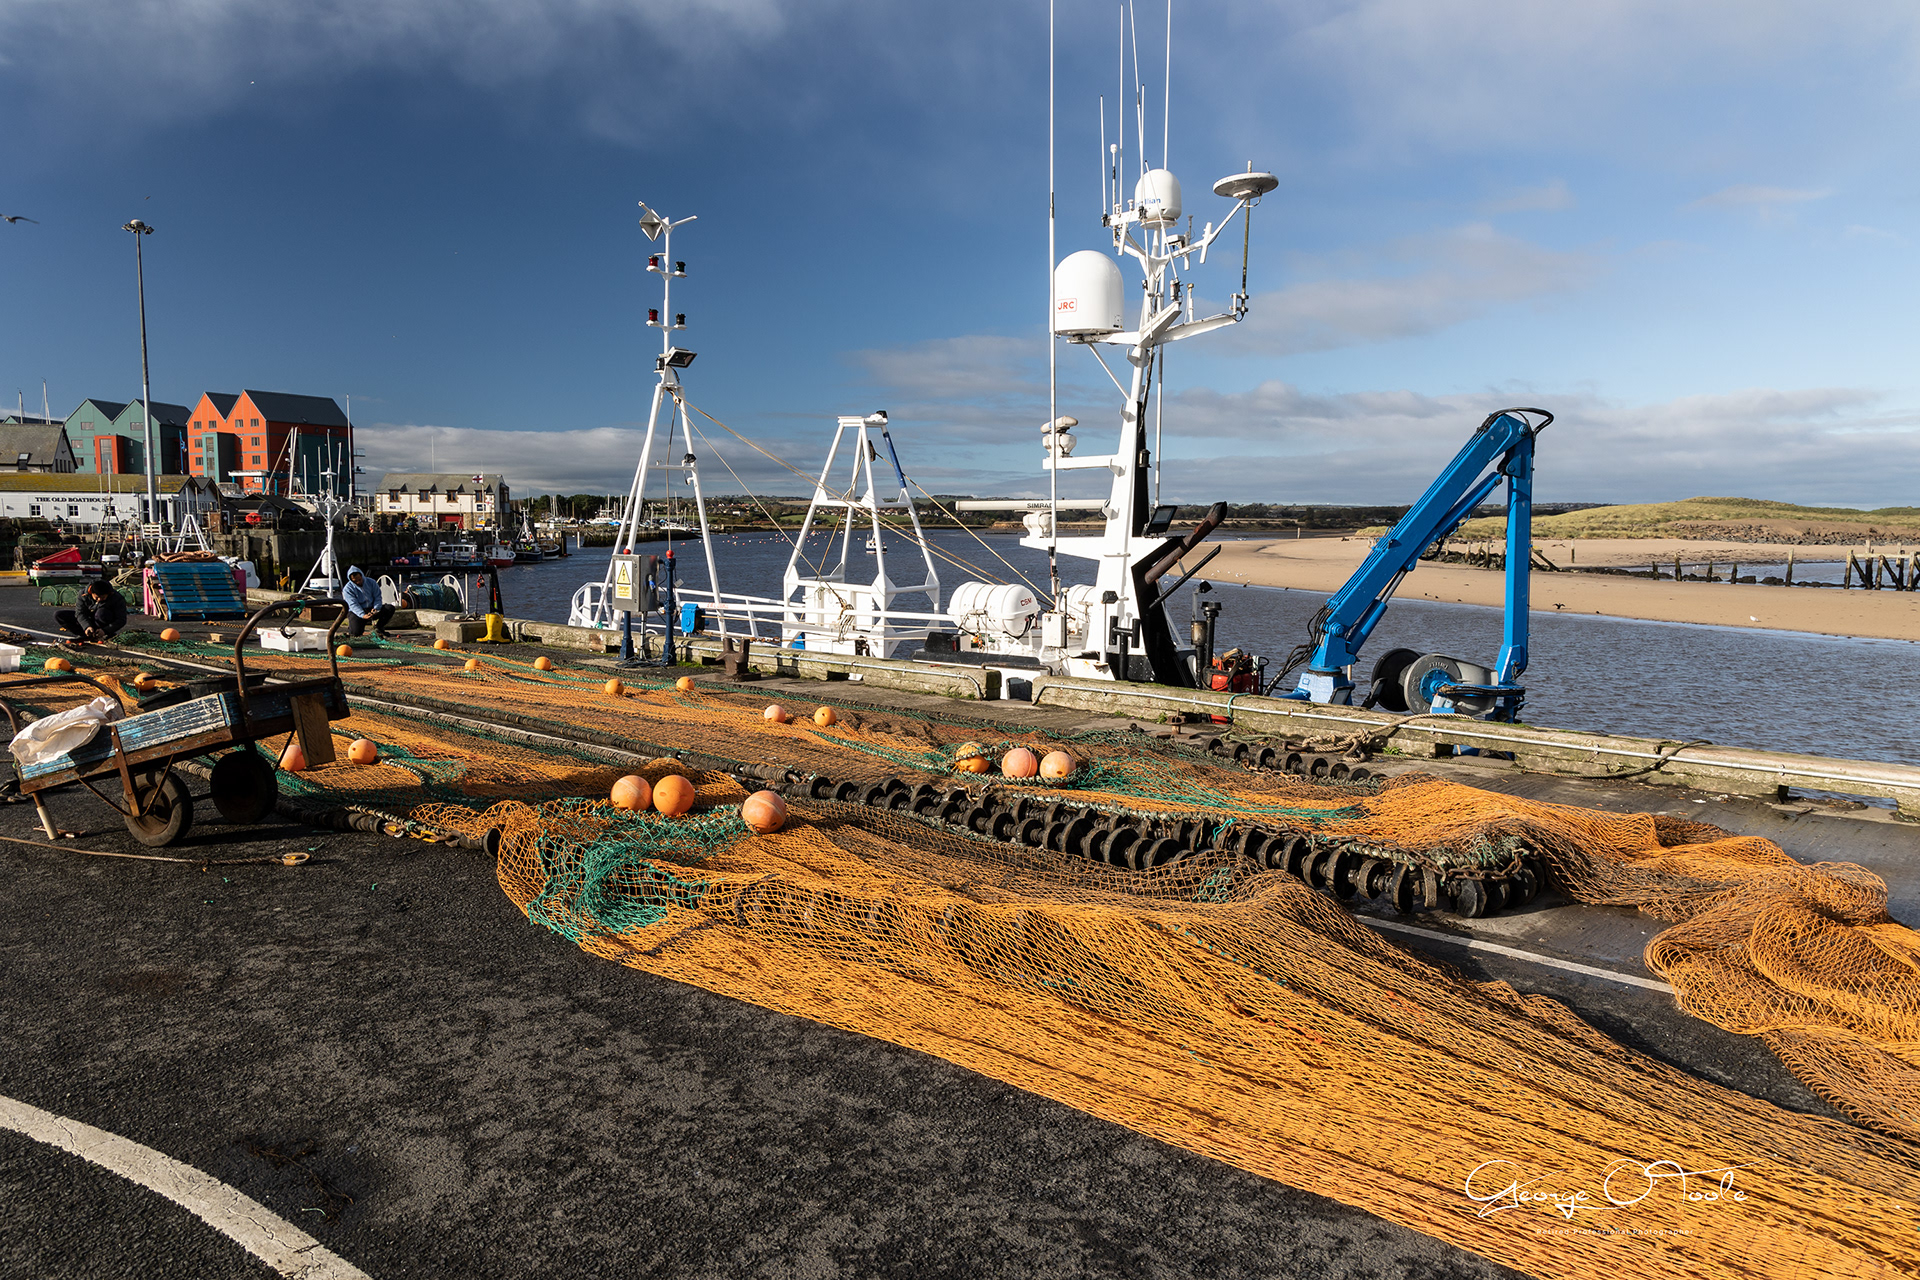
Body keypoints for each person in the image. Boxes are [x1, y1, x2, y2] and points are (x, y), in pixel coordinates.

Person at [56, 579, 128, 646]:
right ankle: (86, 634)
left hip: (104, 622)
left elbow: (121, 619)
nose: (99, 600)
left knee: (101, 613)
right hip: (89, 620)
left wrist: (105, 630)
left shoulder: (117, 598)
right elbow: (80, 613)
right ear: (91, 593)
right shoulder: (83, 594)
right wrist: (87, 626)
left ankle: (104, 635)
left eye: (103, 598)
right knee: (59, 615)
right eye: (96, 597)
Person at [342, 566, 394, 639]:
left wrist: (376, 608)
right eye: (355, 581)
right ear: (351, 580)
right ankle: (354, 627)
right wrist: (362, 615)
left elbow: (377, 597)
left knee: (389, 608)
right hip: (357, 611)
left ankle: (379, 627)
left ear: (362, 576)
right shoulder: (347, 589)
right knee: (355, 634)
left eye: (359, 579)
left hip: (371, 608)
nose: (358, 582)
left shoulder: (371, 582)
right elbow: (353, 604)